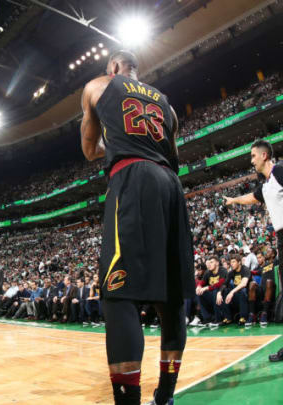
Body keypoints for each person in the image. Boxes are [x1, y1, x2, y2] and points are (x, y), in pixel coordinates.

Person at [80, 50, 194, 405]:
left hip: (133, 179)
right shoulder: (167, 104)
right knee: (171, 297)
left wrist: (112, 144)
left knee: (119, 293)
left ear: (113, 68)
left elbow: (88, 148)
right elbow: (173, 155)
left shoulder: (98, 86)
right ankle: (165, 396)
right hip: (170, 185)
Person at [224, 139, 283, 373]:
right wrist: (234, 200)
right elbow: (252, 197)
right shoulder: (266, 184)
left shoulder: (281, 172)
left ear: (265, 155)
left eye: (253, 156)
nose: (251, 160)